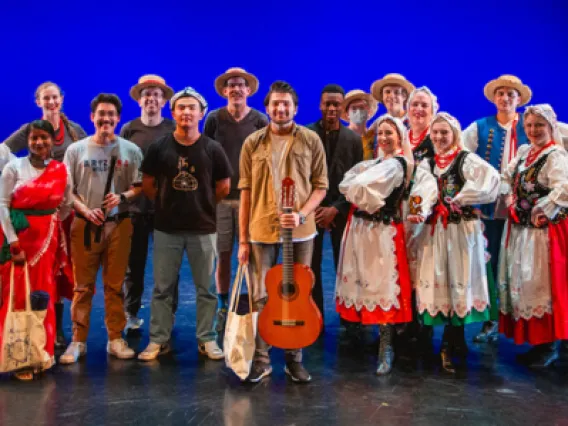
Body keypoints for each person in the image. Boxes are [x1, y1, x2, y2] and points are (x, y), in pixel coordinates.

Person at [238, 81, 328, 383]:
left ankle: (294, 359)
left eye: (286, 103)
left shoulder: (311, 140)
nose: (280, 108)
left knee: (297, 294)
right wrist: (242, 239)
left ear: (295, 108)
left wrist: (302, 214)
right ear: (267, 108)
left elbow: (321, 186)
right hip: (261, 228)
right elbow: (245, 193)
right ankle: (262, 360)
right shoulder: (252, 142)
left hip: (301, 232)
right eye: (275, 103)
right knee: (261, 295)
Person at [336, 115, 436, 375]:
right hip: (361, 229)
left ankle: (386, 347)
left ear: (400, 136)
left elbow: (356, 185)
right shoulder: (374, 163)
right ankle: (366, 341)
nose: (383, 138)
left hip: (381, 232)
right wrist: (358, 189)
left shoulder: (398, 164)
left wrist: (360, 192)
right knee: (365, 283)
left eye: (389, 133)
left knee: (384, 287)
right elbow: (346, 182)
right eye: (380, 133)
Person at [138, 87, 231, 361]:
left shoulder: (213, 149)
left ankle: (207, 339)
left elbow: (224, 186)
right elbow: (148, 184)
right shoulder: (159, 147)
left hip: (203, 229)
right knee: (162, 289)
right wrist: (169, 203)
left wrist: (200, 203)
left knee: (206, 289)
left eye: (192, 107)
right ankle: (158, 339)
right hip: (166, 228)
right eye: (181, 107)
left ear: (202, 113)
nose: (187, 112)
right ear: (173, 112)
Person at [59, 93, 143, 364]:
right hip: (84, 226)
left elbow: (139, 186)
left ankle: (115, 338)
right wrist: (84, 210)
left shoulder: (130, 150)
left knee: (114, 286)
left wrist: (122, 198)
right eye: (101, 114)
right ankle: (78, 340)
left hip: (119, 225)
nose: (105, 119)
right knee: (82, 287)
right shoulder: (76, 150)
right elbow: (67, 191)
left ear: (118, 119)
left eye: (111, 115)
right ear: (92, 117)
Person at [2, 81, 87, 348]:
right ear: (38, 102)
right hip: (30, 218)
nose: (51, 102)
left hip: (62, 212)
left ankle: (57, 329)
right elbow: (3, 151)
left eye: (54, 97)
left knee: (60, 272)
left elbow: (84, 164)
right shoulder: (30, 131)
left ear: (61, 99)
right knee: (22, 273)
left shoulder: (75, 131)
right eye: (45, 98)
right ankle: (18, 331)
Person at [415, 112, 499, 373]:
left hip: (461, 231)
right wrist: (420, 208)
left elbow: (492, 180)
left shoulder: (466, 160)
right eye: (436, 133)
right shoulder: (427, 164)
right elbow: (419, 193)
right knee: (440, 281)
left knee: (459, 281)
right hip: (436, 232)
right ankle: (447, 341)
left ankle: (451, 343)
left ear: (454, 135)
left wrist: (463, 198)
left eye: (445, 133)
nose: (439, 137)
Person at [0, 120, 74, 380]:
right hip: (17, 241)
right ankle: (18, 359)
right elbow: (2, 204)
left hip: (47, 242)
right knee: (17, 296)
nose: (39, 143)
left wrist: (49, 222)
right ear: (27, 141)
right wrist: (12, 241)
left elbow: (66, 203)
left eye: (44, 138)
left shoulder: (61, 169)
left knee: (43, 296)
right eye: (34, 138)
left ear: (53, 140)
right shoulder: (14, 167)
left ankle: (40, 354)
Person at [462, 75, 532, 343]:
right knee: (489, 261)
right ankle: (491, 318)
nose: (505, 98)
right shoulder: (480, 127)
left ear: (518, 99)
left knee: (520, 262)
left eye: (510, 94)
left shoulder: (530, 125)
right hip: (490, 207)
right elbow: (462, 155)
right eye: (500, 94)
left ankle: (519, 318)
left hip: (523, 207)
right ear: (494, 98)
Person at [498, 104, 568, 368]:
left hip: (544, 233)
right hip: (522, 229)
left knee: (544, 284)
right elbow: (506, 176)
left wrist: (544, 207)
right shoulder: (525, 152)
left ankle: (551, 344)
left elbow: (564, 187)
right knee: (526, 282)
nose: (533, 130)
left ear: (550, 127)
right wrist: (509, 196)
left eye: (539, 125)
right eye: (529, 125)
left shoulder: (555, 155)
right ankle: (539, 342)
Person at [204, 68, 268, 335]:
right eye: (231, 85)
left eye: (241, 85)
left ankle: (255, 306)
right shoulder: (214, 119)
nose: (236, 89)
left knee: (253, 255)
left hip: (251, 200)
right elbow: (205, 154)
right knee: (224, 255)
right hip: (221, 201)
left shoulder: (259, 120)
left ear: (249, 90)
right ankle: (222, 305)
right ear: (224, 90)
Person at [120, 74, 176, 332]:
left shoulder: (172, 129)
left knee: (167, 267)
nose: (151, 98)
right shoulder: (129, 129)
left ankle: (168, 315)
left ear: (164, 100)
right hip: (135, 209)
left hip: (166, 209)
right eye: (146, 94)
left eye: (156, 94)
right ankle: (130, 313)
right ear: (140, 100)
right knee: (134, 265)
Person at [306, 84, 362, 326]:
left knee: (346, 266)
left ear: (343, 108)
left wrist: (336, 208)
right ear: (320, 105)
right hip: (311, 211)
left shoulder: (353, 139)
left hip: (341, 209)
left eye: (336, 104)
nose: (331, 108)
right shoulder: (306, 134)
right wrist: (315, 208)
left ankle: (349, 320)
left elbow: (357, 179)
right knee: (311, 267)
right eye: (327, 104)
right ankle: (314, 316)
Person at [341, 89, 378, 160]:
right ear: (347, 114)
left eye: (361, 107)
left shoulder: (375, 138)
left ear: (368, 112)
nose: (358, 111)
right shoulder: (339, 138)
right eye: (354, 108)